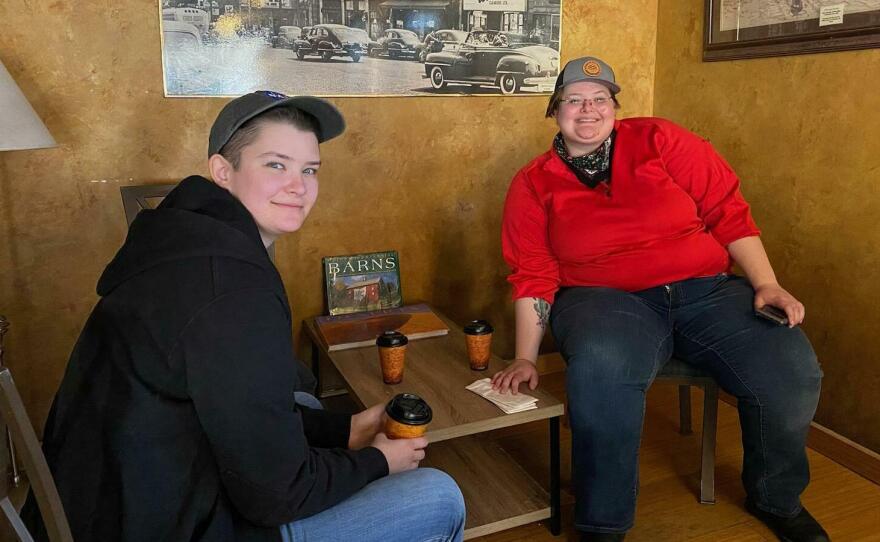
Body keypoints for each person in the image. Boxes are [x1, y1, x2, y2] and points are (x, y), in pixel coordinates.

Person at [23, 91, 465, 542]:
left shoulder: (183, 235)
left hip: (109, 495)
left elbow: (230, 400)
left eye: (309, 169)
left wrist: (344, 428)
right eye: (276, 164)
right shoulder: (230, 290)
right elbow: (276, 495)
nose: (299, 186)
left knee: (309, 406)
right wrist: (379, 462)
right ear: (222, 170)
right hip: (165, 522)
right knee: (437, 496)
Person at [491, 57, 828, 542]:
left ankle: (777, 498)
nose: (588, 110)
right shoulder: (532, 182)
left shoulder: (659, 139)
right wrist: (525, 358)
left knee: (792, 368)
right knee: (601, 370)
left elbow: (726, 211)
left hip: (706, 290)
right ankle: (603, 524)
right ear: (554, 109)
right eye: (574, 100)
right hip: (603, 299)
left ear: (614, 106)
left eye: (600, 99)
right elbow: (534, 275)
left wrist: (766, 283)